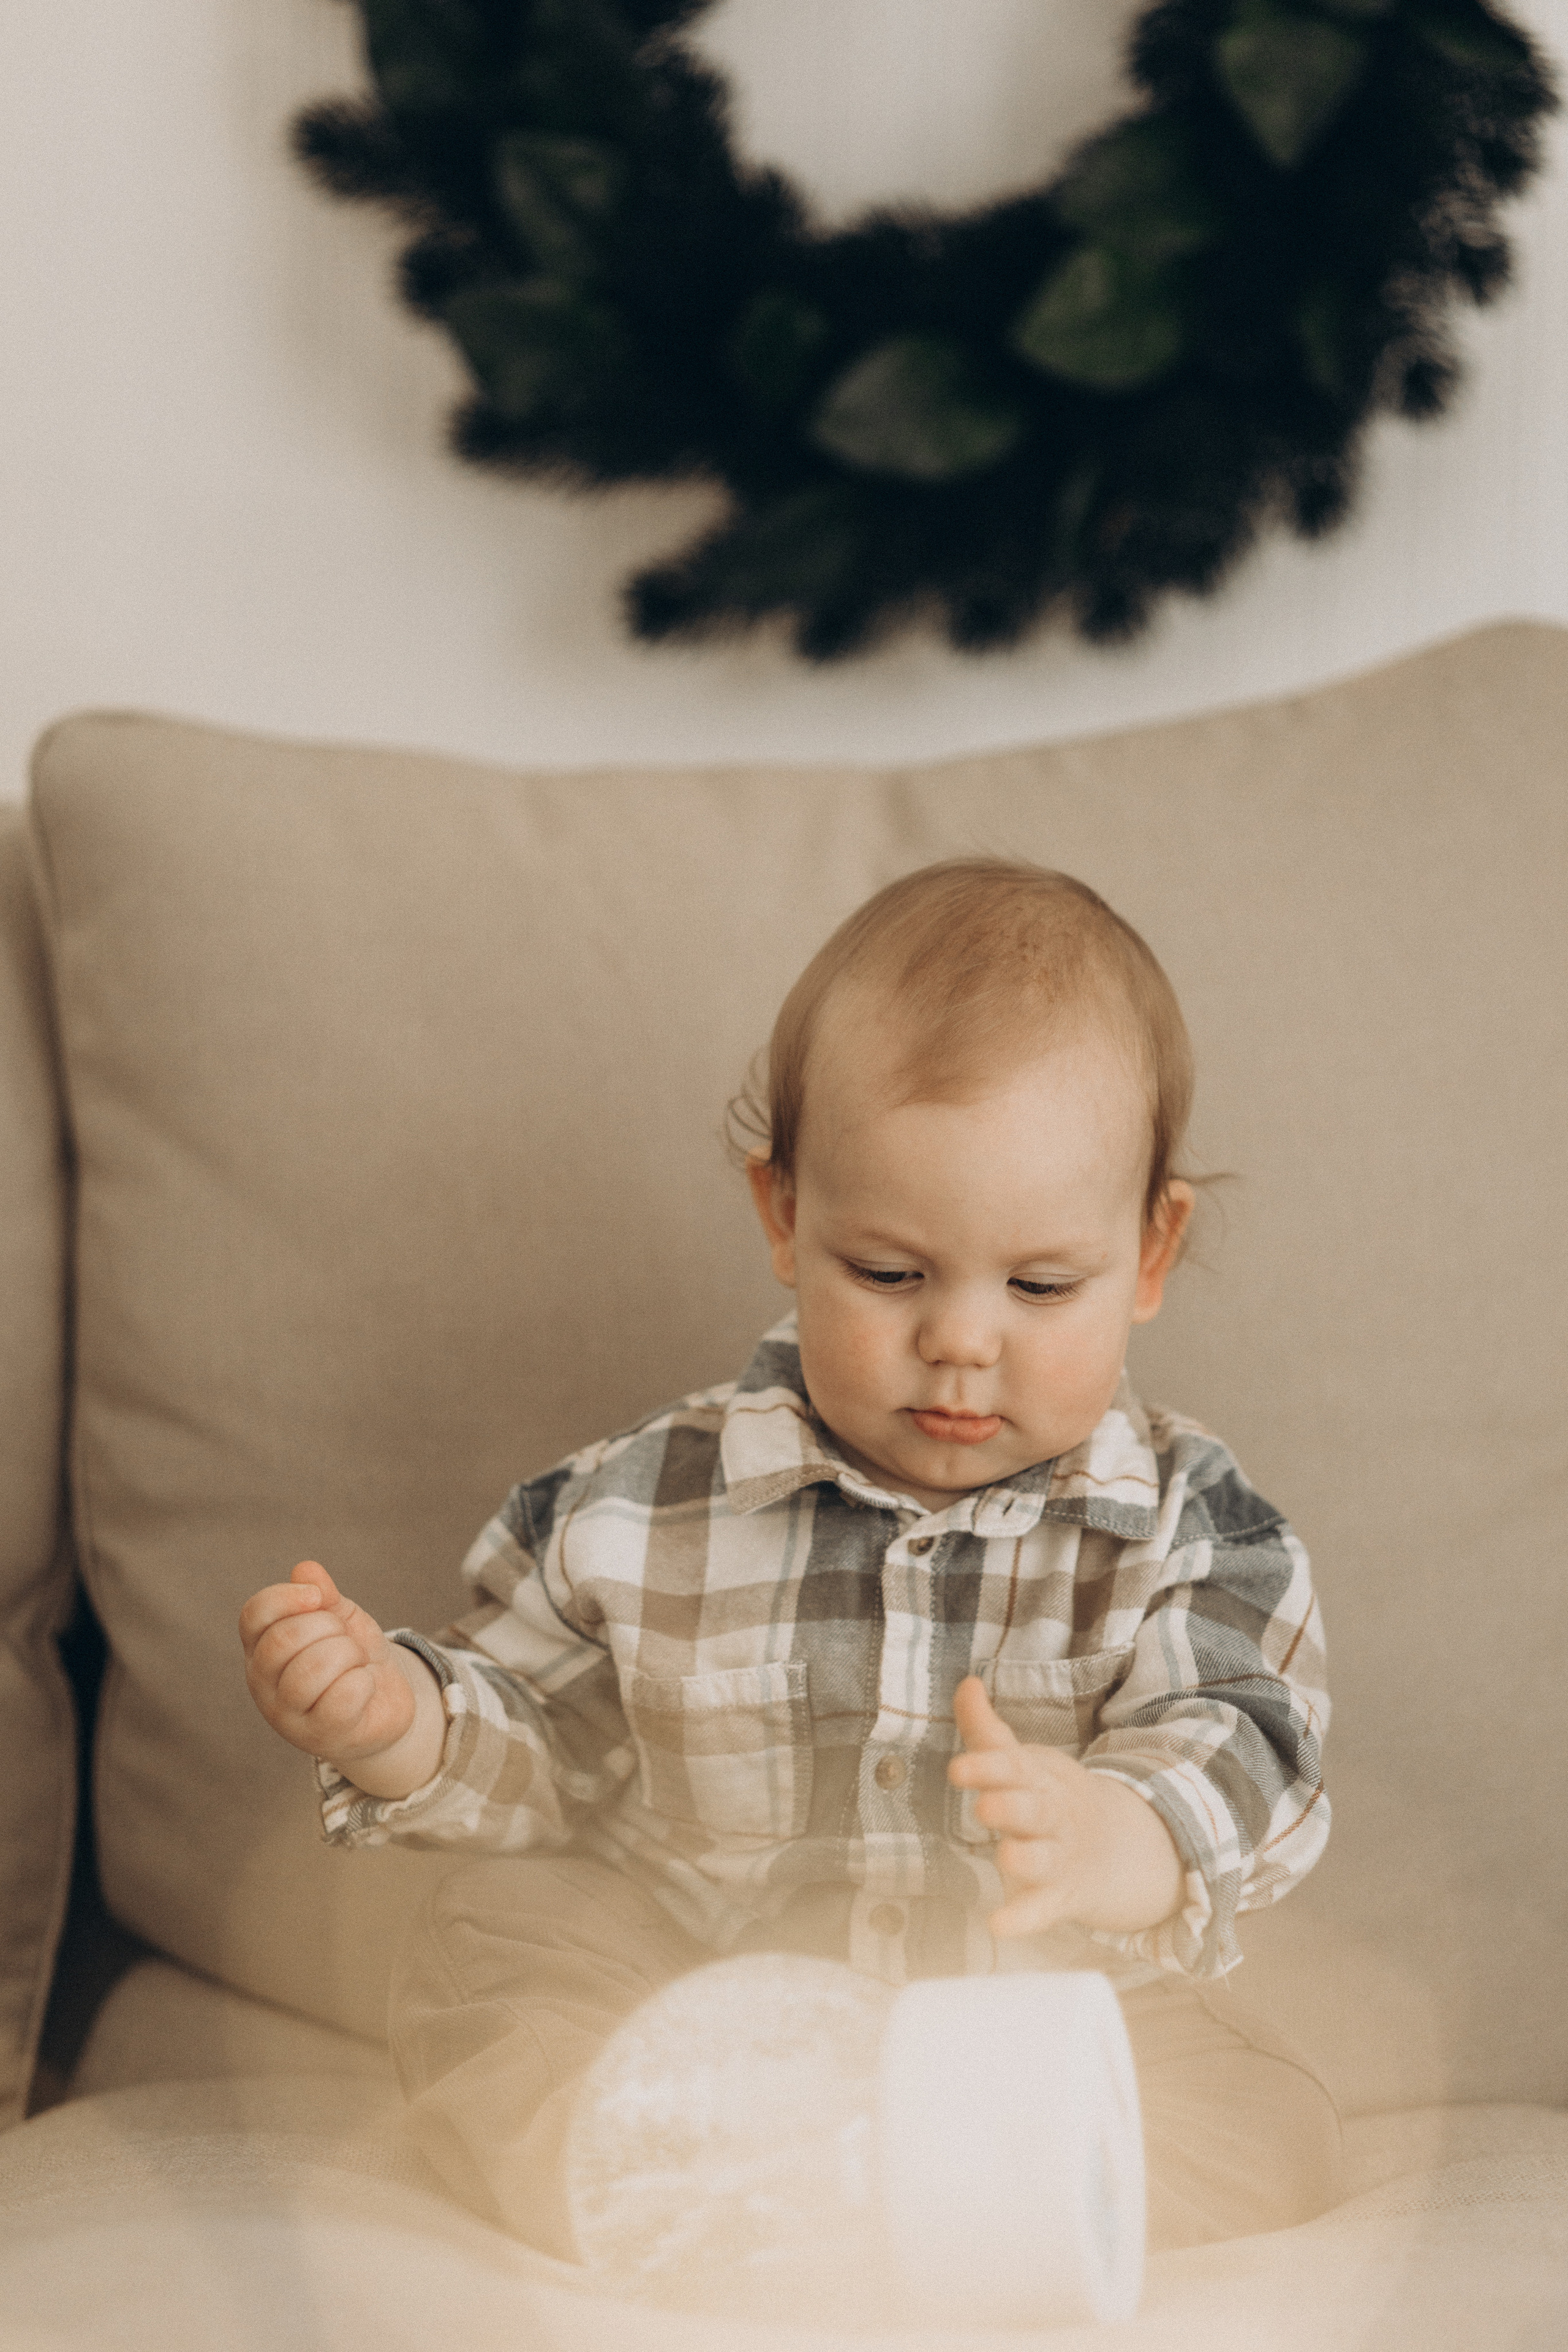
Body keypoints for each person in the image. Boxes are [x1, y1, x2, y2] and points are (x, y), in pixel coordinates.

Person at [238, 859, 1341, 2262]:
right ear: (783, 1217)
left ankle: (923, 2205)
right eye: (888, 1273)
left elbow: (1248, 1753)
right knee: (487, 1946)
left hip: (1032, 2037)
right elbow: (542, 1751)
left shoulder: (1195, 1532)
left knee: (1264, 2114)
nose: (958, 1339)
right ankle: (739, 2185)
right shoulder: (642, 1506)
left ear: (1150, 1249)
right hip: (700, 2020)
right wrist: (395, 1717)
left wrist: (1112, 1835)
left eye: (1037, 1285)